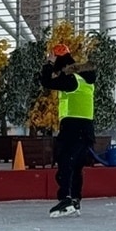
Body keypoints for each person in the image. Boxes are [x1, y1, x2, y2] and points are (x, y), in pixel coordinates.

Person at [38, 43, 97, 217]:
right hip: (86, 127)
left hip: (73, 127)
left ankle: (66, 198)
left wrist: (48, 64)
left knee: (65, 162)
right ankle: (75, 199)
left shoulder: (71, 80)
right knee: (76, 165)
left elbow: (46, 81)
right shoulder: (85, 78)